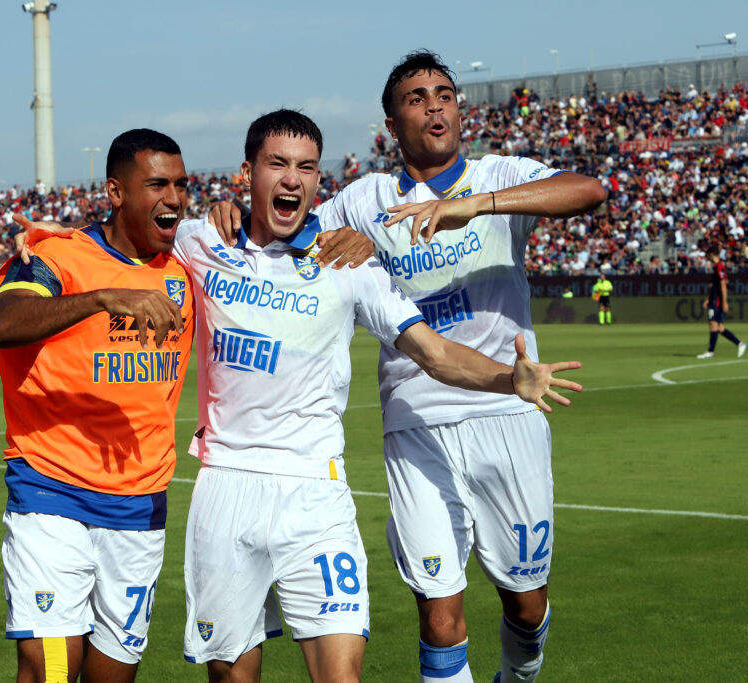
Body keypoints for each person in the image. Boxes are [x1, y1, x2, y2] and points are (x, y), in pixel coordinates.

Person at [211, 52, 606, 683]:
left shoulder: (500, 173)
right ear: (393, 124)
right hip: (415, 417)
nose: (434, 105)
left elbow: (590, 190)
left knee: (526, 605)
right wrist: (228, 213)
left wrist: (476, 206)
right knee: (438, 610)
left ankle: (517, 672)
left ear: (458, 107)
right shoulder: (366, 199)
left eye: (443, 93)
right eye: (416, 98)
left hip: (508, 405)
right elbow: (286, 222)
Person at [0, 129, 195, 683]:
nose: (173, 196)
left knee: (113, 675)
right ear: (115, 191)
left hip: (140, 505)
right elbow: (3, 324)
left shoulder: (187, 266)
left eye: (180, 184)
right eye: (156, 184)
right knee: (53, 670)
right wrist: (103, 297)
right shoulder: (55, 258)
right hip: (51, 491)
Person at [697, 246, 746, 359]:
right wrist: (708, 299)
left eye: (708, 255)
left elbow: (723, 286)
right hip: (713, 299)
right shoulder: (715, 267)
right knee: (719, 328)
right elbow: (712, 286)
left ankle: (710, 351)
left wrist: (724, 302)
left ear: (712, 255)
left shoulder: (720, 267)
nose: (707, 257)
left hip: (717, 301)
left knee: (713, 325)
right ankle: (740, 344)